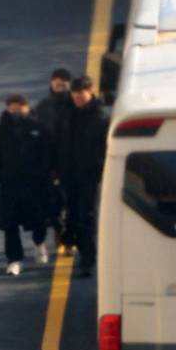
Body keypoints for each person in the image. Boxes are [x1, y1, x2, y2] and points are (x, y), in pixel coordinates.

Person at [0, 94, 53, 276]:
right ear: (7, 109)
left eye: (20, 108)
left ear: (27, 108)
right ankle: (14, 259)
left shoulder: (39, 129)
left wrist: (43, 176)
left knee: (39, 221)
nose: (16, 112)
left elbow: (48, 155)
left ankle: (39, 243)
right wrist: (1, 176)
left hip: (35, 186)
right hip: (10, 187)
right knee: (10, 225)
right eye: (13, 109)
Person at [56, 75, 109, 278]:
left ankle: (87, 259)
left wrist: (99, 169)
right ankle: (70, 241)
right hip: (67, 174)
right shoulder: (66, 114)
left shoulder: (101, 117)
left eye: (81, 93)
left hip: (89, 176)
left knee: (86, 216)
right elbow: (57, 142)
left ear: (90, 91)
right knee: (70, 213)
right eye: (75, 93)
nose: (78, 97)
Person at [35, 67, 72, 252]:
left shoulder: (75, 107)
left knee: (72, 204)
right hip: (48, 165)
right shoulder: (43, 107)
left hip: (71, 164)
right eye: (57, 84)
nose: (60, 88)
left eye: (64, 85)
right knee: (52, 205)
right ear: (51, 84)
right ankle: (59, 232)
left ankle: (68, 238)